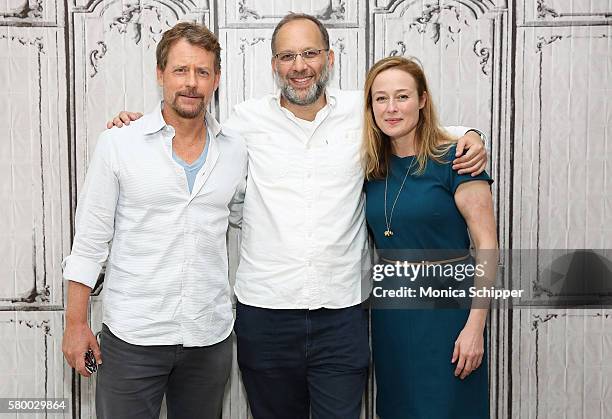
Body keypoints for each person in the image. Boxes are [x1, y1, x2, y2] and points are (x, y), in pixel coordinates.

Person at [108, 13, 488, 419]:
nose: (299, 65)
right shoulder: (244, 122)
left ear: (330, 58)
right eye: (287, 55)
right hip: (265, 315)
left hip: (343, 317)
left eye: (310, 53)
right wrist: (137, 124)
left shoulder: (360, 116)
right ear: (273, 65)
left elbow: (410, 121)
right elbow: (191, 134)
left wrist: (470, 134)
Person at [61, 22, 246, 419]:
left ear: (216, 78)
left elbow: (245, 224)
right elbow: (90, 242)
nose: (191, 83)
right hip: (134, 337)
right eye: (181, 70)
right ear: (160, 74)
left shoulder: (235, 151)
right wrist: (76, 324)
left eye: (202, 71)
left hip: (209, 338)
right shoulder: (119, 143)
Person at [363, 56, 497, 418]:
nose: (391, 108)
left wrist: (474, 328)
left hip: (449, 313)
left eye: (402, 96)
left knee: (447, 406)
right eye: (381, 98)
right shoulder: (371, 168)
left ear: (422, 100)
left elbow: (488, 245)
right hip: (392, 313)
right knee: (399, 406)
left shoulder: (457, 159)